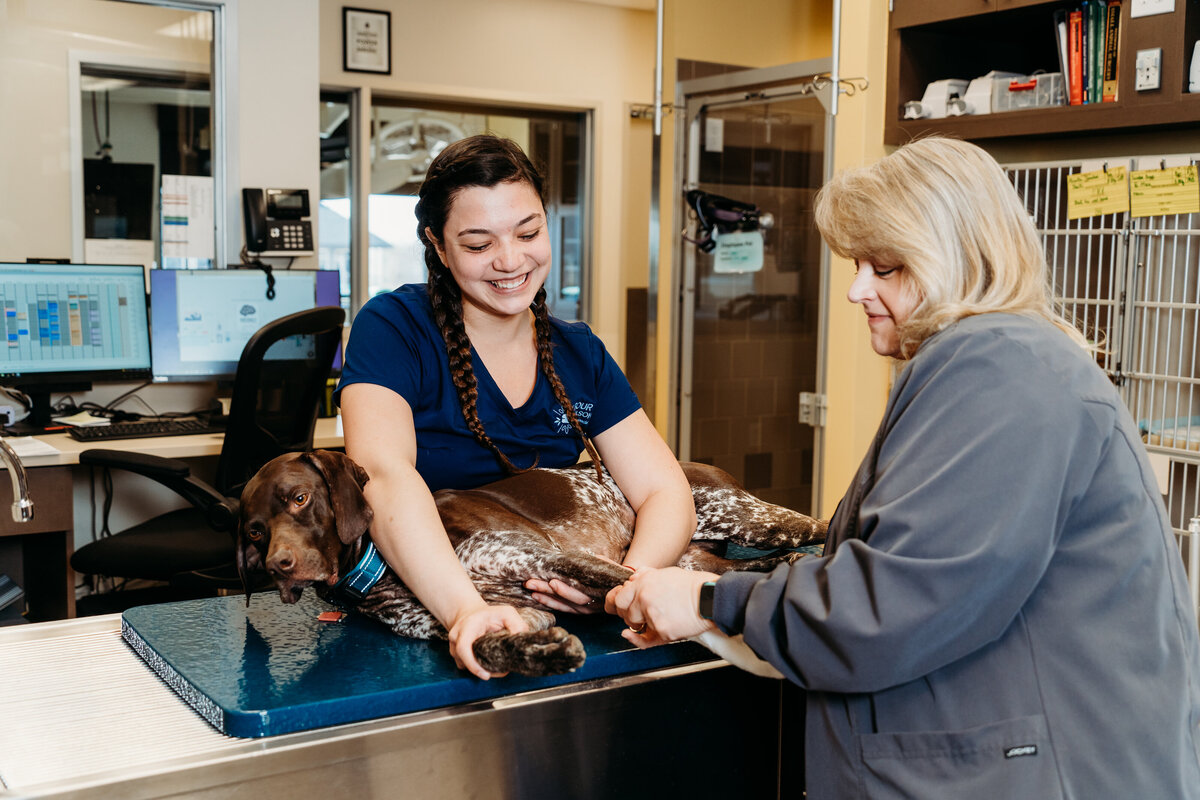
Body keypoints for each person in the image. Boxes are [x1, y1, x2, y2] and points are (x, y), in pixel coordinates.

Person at [606, 137, 1200, 797]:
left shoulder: (997, 368)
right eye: (858, 264)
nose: (858, 289)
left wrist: (711, 600)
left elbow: (899, 600)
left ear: (960, 258)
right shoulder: (1013, 361)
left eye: (885, 267)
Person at [337, 134, 696, 680]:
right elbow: (383, 476)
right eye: (479, 245)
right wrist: (466, 611)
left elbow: (664, 490)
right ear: (438, 244)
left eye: (528, 233)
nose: (510, 261)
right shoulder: (393, 328)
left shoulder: (578, 352)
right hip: (445, 602)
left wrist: (624, 582)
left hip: (579, 608)